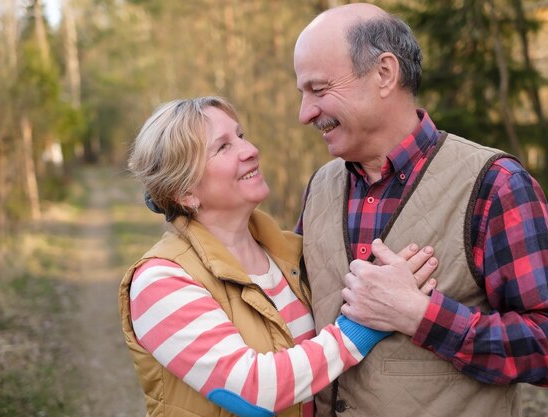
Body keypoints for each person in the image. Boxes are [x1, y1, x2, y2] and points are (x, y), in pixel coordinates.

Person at [293, 3, 548, 417]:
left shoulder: (495, 184)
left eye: (319, 90)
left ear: (384, 74)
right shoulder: (319, 188)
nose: (304, 113)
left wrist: (421, 315)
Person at [118, 96, 438, 417]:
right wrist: (362, 326)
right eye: (223, 147)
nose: (251, 150)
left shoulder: (294, 252)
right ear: (185, 192)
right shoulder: (160, 282)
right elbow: (254, 392)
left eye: (241, 136)